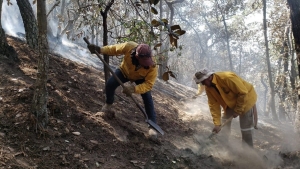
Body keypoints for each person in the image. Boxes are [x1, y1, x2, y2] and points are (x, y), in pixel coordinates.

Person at [87, 41, 158, 137]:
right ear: (137, 56)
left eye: (147, 60)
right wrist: (99, 50)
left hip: (141, 78)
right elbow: (114, 49)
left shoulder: (152, 65)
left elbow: (149, 85)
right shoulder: (129, 46)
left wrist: (134, 89)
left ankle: (152, 126)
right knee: (110, 84)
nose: (146, 63)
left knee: (148, 98)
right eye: (144, 61)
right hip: (124, 71)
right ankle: (108, 104)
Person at [193, 69, 257, 147]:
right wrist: (217, 124)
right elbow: (213, 105)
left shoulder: (227, 78)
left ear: (209, 77)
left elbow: (243, 93)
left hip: (246, 100)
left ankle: (248, 152)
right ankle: (224, 147)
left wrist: (238, 110)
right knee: (223, 125)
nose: (202, 84)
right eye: (201, 82)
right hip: (230, 103)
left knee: (245, 128)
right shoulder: (208, 88)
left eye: (203, 81)